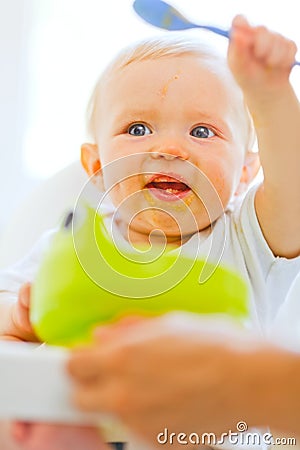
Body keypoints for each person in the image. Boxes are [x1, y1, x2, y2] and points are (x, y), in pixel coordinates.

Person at [0, 13, 300, 449]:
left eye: (202, 131)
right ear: (97, 167)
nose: (169, 148)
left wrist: (269, 95)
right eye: (137, 129)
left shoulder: (247, 238)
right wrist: (18, 314)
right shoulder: (70, 247)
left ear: (245, 172)